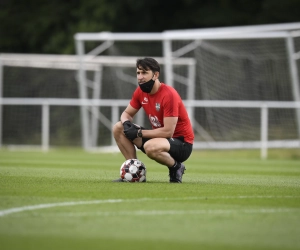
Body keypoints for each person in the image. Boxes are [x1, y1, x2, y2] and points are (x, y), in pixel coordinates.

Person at [112, 57, 194, 183]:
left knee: (150, 147)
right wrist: (127, 123)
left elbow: (168, 132)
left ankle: (176, 167)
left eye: (144, 73)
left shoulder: (169, 95)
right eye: (138, 73)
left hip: (182, 144)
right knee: (119, 127)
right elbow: (126, 113)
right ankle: (135, 171)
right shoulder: (140, 91)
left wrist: (138, 133)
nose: (140, 77)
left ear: (156, 75)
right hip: (161, 139)